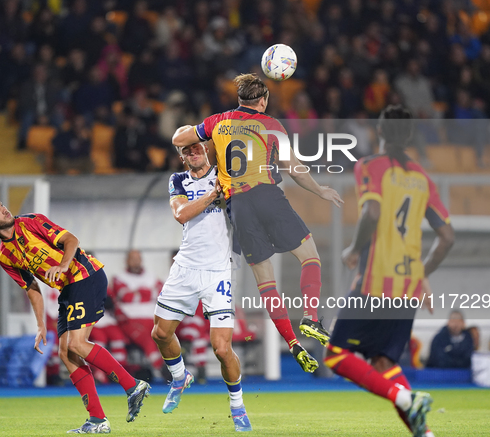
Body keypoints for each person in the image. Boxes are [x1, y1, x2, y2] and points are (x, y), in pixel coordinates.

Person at [171, 73, 343, 373]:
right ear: (262, 101)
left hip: (239, 207)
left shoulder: (217, 122)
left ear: (239, 99)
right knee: (310, 256)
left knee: (266, 282)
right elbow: (294, 169)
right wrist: (320, 190)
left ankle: (292, 343)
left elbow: (179, 139)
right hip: (266, 196)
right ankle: (311, 318)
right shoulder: (272, 125)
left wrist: (196, 129)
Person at [0, 195, 150, 434]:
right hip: (67, 289)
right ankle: (97, 420)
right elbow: (32, 289)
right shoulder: (5, 256)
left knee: (78, 345)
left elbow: (71, 239)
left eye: (1, 205)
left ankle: (132, 385)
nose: (4, 210)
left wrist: (62, 265)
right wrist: (40, 325)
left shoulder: (31, 222)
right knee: (65, 353)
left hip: (85, 275)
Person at [324, 105, 455, 437]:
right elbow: (447, 238)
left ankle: (406, 397)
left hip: (374, 281)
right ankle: (424, 434)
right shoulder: (423, 178)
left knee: (335, 355)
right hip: (408, 285)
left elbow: (371, 213)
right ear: (409, 137)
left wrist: (353, 250)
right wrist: (421, 274)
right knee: (384, 363)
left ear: (378, 132)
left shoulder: (370, 166)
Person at [150, 141, 252, 432]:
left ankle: (238, 408)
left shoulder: (223, 175)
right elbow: (181, 214)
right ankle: (180, 377)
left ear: (206, 151)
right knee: (160, 333)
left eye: (197, 148)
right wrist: (212, 196)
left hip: (218, 272)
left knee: (221, 349)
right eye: (187, 151)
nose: (193, 153)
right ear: (182, 158)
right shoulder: (178, 180)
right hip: (185, 268)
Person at [110, 250, 164, 372]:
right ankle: (161, 367)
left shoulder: (152, 276)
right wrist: (149, 292)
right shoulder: (119, 278)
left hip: (153, 319)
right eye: (132, 259)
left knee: (165, 335)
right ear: (127, 261)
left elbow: (162, 294)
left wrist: (137, 292)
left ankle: (169, 366)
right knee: (148, 338)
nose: (136, 262)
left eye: (138, 259)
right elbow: (126, 297)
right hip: (131, 320)